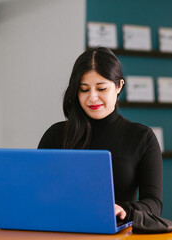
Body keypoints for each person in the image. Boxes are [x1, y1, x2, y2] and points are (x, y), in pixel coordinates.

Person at [38, 47, 163, 222]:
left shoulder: (142, 137)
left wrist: (124, 209)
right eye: (84, 89)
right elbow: (38, 192)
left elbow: (154, 203)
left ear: (119, 86)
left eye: (101, 88)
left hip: (117, 232)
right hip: (62, 229)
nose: (92, 98)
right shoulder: (56, 134)